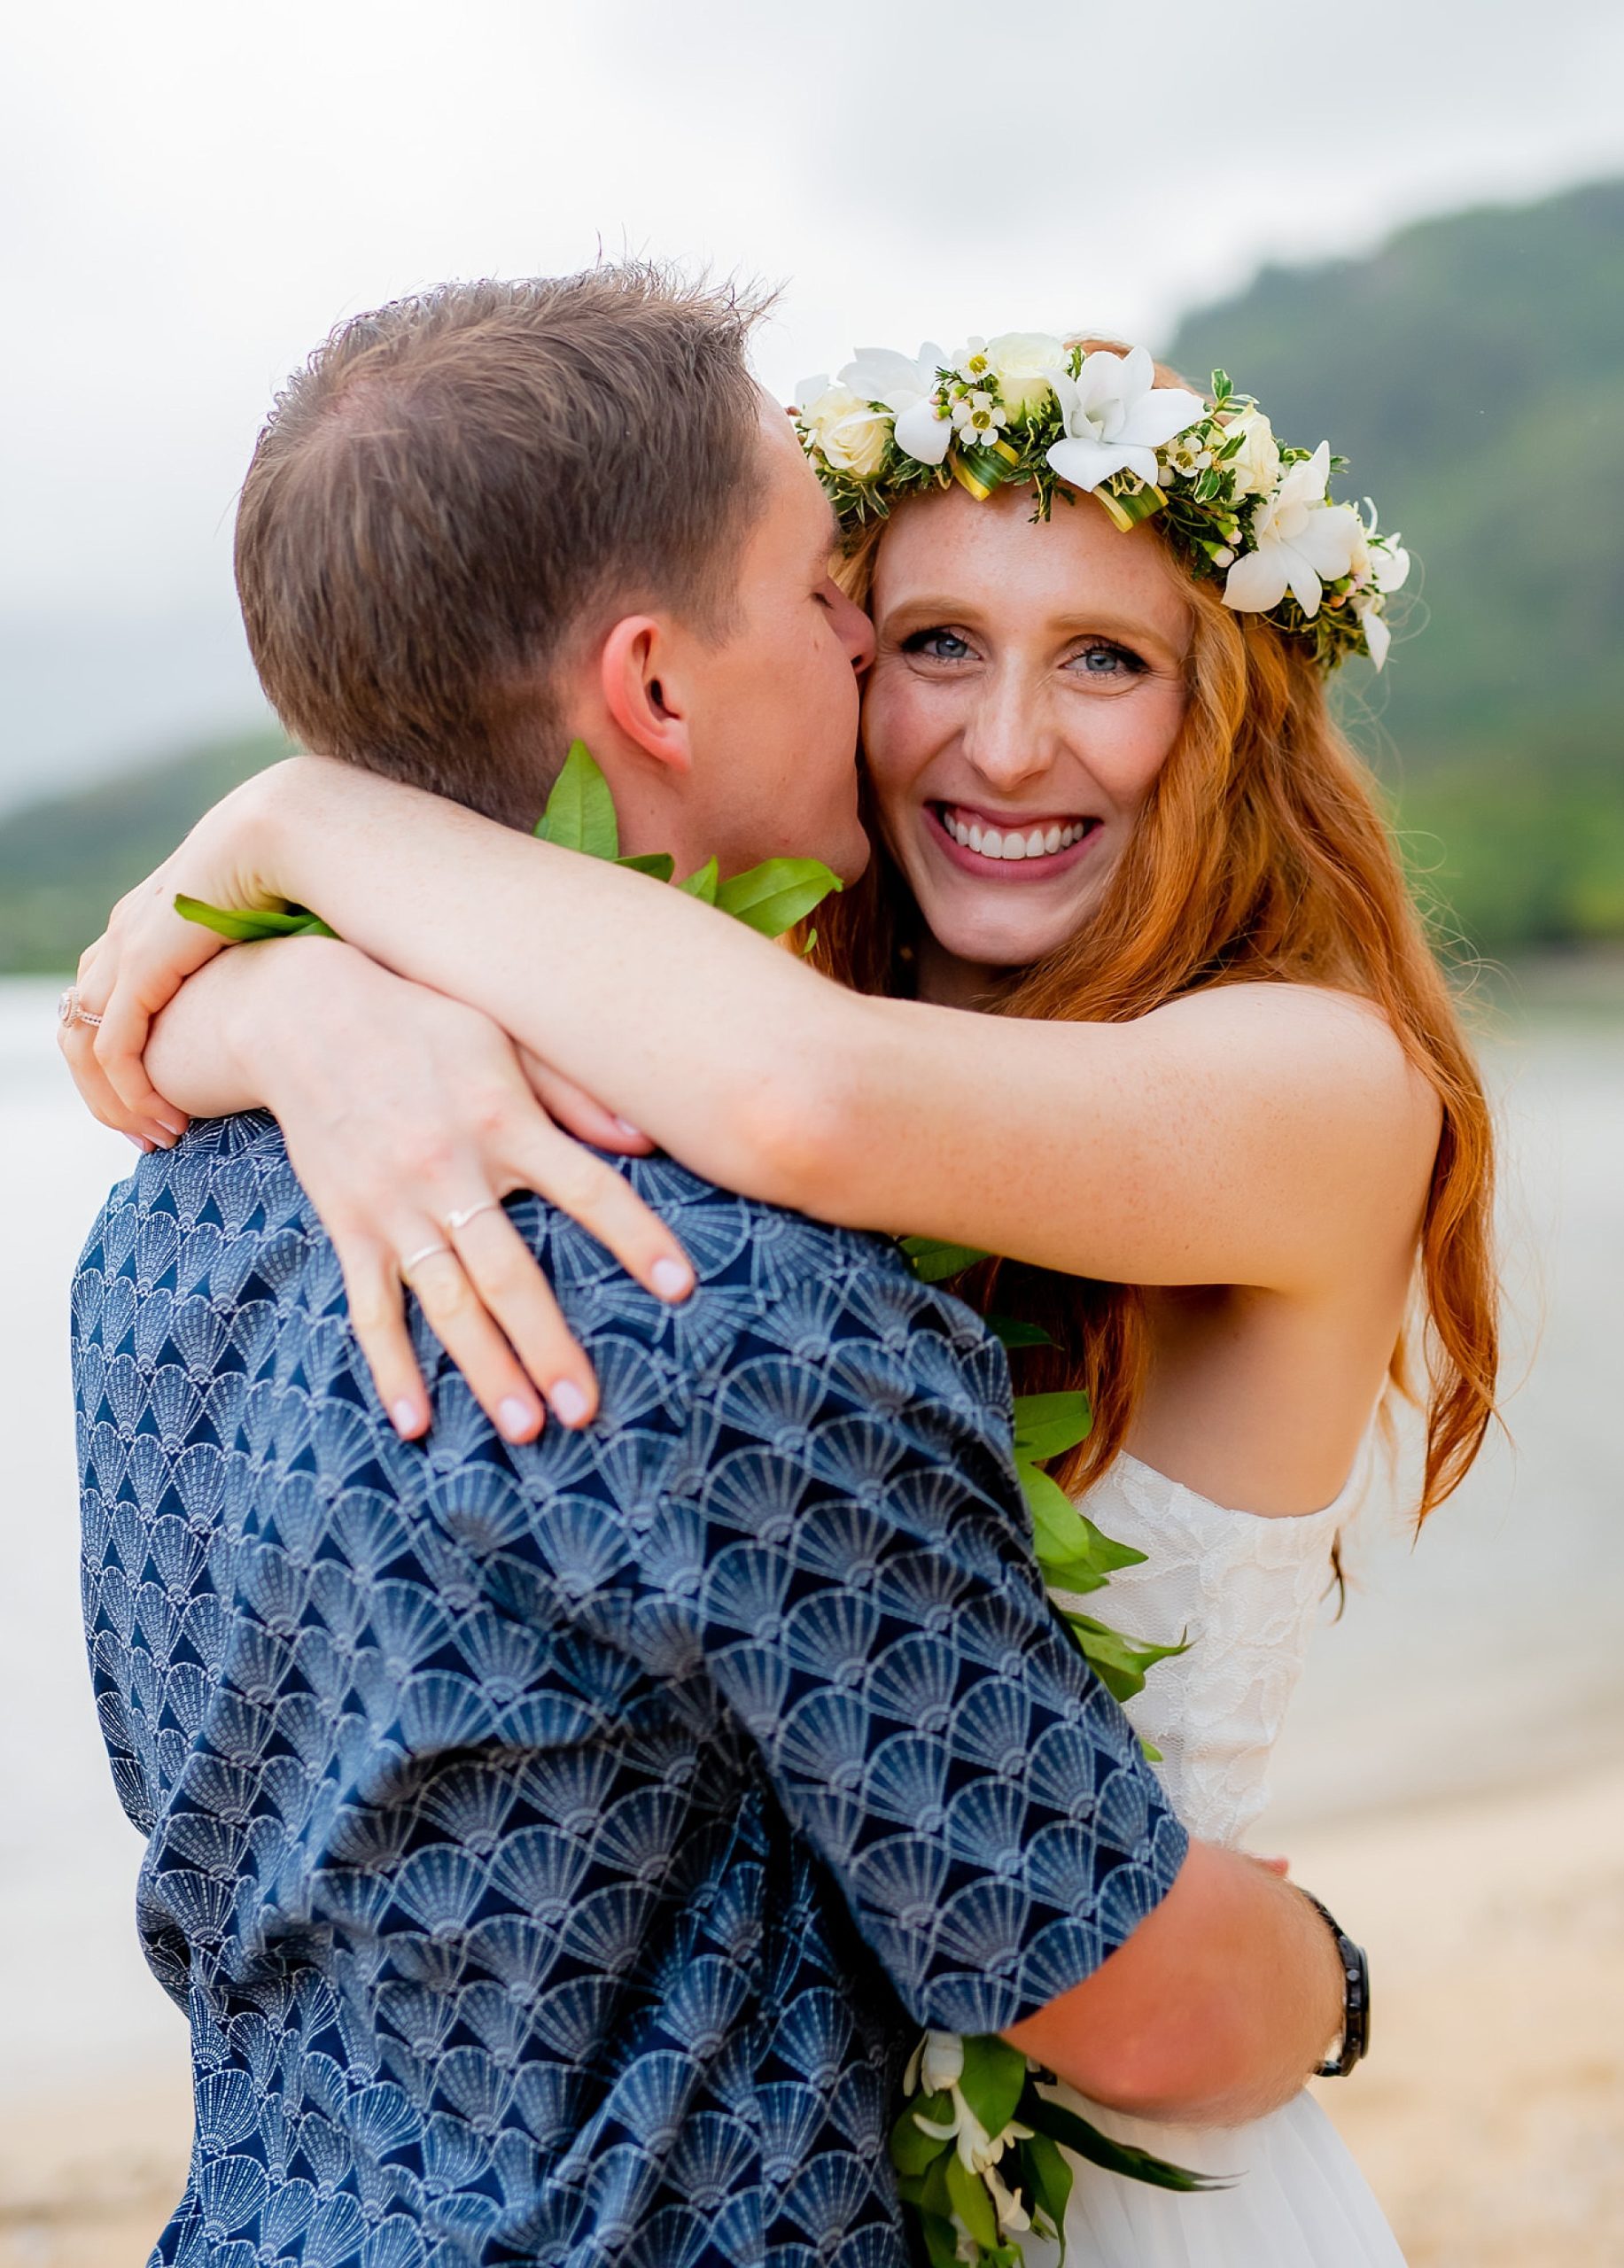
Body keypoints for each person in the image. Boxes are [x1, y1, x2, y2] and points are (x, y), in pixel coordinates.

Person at [60, 271, 1362, 2268]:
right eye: (861, 608)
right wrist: (1333, 1972)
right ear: (659, 688)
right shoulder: (726, 1289)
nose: (899, 677)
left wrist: (284, 884)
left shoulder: (154, 1222)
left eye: (1100, 656)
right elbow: (1126, 1984)